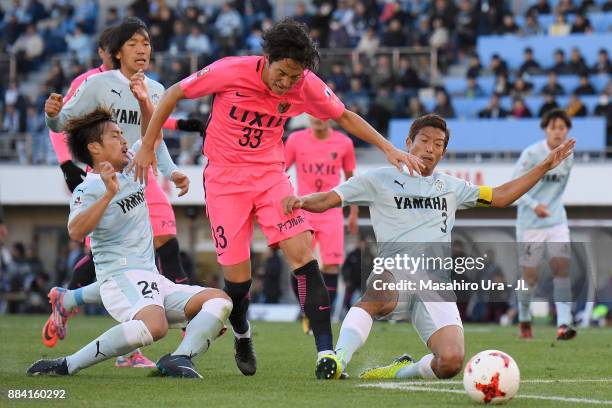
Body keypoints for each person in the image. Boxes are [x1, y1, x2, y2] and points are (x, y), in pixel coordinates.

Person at [129, 18, 424, 379]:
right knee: (237, 282)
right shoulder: (230, 70)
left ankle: (325, 354)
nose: (286, 83)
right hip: (224, 180)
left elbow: (344, 116)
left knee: (303, 255)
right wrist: (147, 145)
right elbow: (174, 93)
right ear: (266, 58)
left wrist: (388, 148)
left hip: (271, 177)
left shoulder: (306, 86)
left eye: (295, 76)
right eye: (282, 73)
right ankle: (242, 333)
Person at [281, 113, 574, 379]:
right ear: (408, 143)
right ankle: (338, 359)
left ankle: (398, 372)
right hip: (395, 273)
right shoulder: (378, 179)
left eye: (438, 144)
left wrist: (546, 164)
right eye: (424, 141)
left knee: (451, 362)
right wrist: (302, 201)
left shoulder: (452, 187)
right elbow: (330, 198)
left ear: (444, 152)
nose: (430, 148)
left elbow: (501, 197)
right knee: (377, 292)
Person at [27, 107, 232, 378]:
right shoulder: (88, 188)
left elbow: (153, 136)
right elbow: (76, 231)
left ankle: (180, 358)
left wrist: (145, 100)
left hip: (150, 277)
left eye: (123, 134)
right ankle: (68, 364)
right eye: (115, 135)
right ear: (95, 148)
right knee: (155, 327)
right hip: (119, 278)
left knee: (220, 301)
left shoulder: (133, 163)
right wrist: (108, 195)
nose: (124, 140)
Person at [42, 18, 197, 367]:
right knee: (112, 263)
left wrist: (172, 171)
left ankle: (149, 336)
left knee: (166, 246)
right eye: (134, 43)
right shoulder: (98, 85)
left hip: (144, 179)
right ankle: (68, 301)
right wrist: (50, 117)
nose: (143, 49)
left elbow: (153, 137)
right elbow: (62, 122)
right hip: (107, 180)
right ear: (117, 52)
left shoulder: (157, 89)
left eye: (146, 43)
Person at [285, 116, 358, 330]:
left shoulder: (344, 143)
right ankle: (306, 311)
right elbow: (279, 171)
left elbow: (352, 180)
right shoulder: (295, 140)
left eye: (323, 112)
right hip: (303, 210)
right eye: (313, 112)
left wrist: (353, 212)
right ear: (307, 115)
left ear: (331, 116)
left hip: (331, 212)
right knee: (299, 264)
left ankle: (324, 315)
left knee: (332, 266)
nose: (318, 117)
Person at [514, 109, 576, 341]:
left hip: (556, 221)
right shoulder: (532, 154)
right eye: (554, 127)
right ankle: (524, 318)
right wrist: (534, 205)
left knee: (562, 269)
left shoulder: (569, 155)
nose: (558, 132)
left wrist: (552, 208)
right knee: (530, 278)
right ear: (545, 129)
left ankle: (563, 324)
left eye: (562, 127)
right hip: (530, 223)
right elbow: (515, 185)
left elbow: (559, 190)